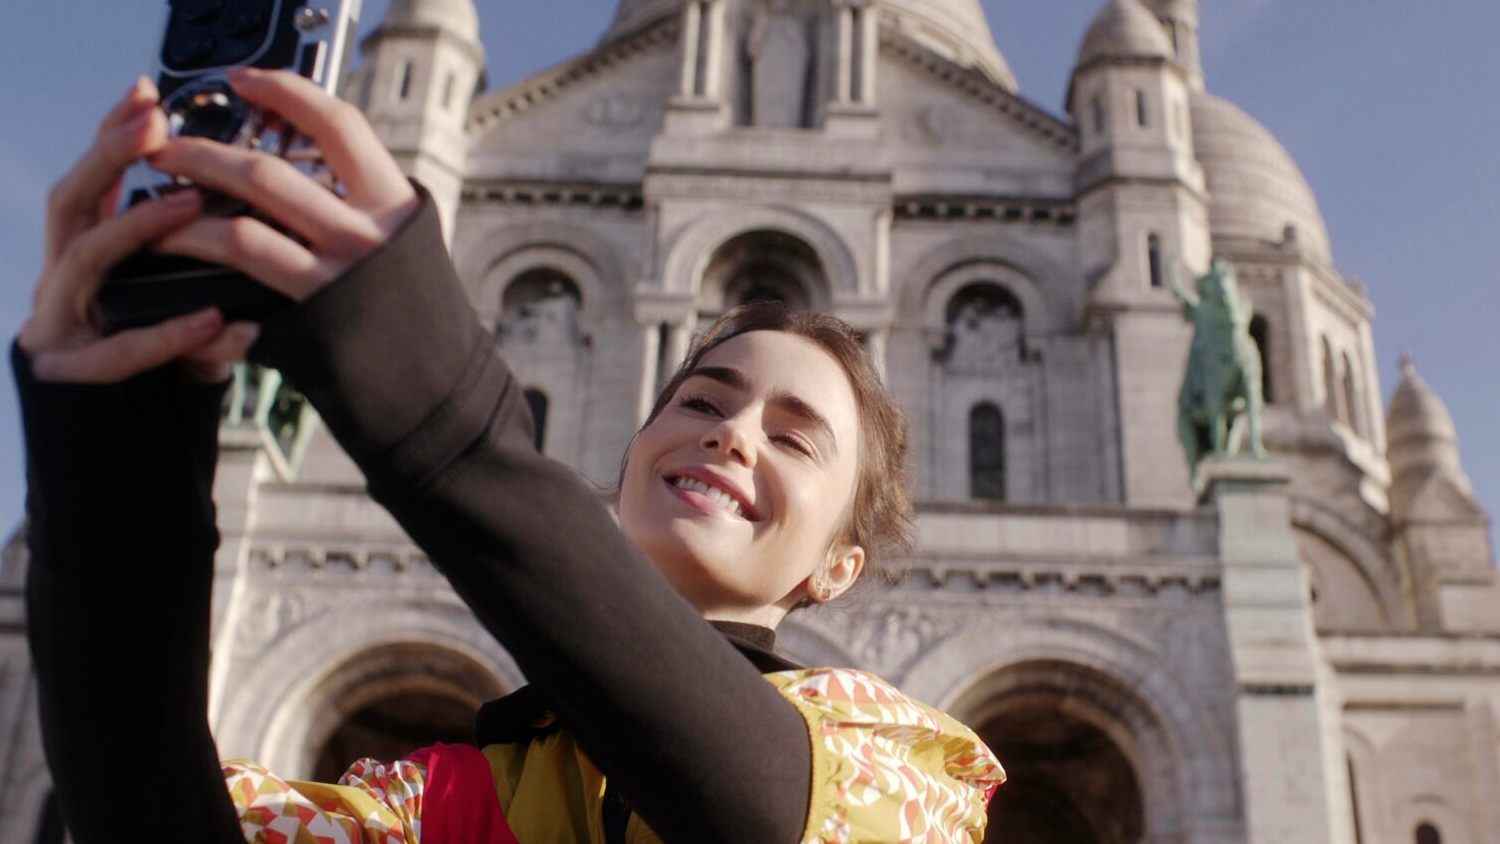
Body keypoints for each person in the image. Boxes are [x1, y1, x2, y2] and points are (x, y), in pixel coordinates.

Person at [15, 70, 1004, 844]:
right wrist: (112, 455)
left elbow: (756, 801)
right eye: (700, 398)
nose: (731, 431)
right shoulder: (449, 797)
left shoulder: (906, 766)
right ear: (625, 462)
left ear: (838, 565)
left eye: (792, 436)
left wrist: (426, 390)